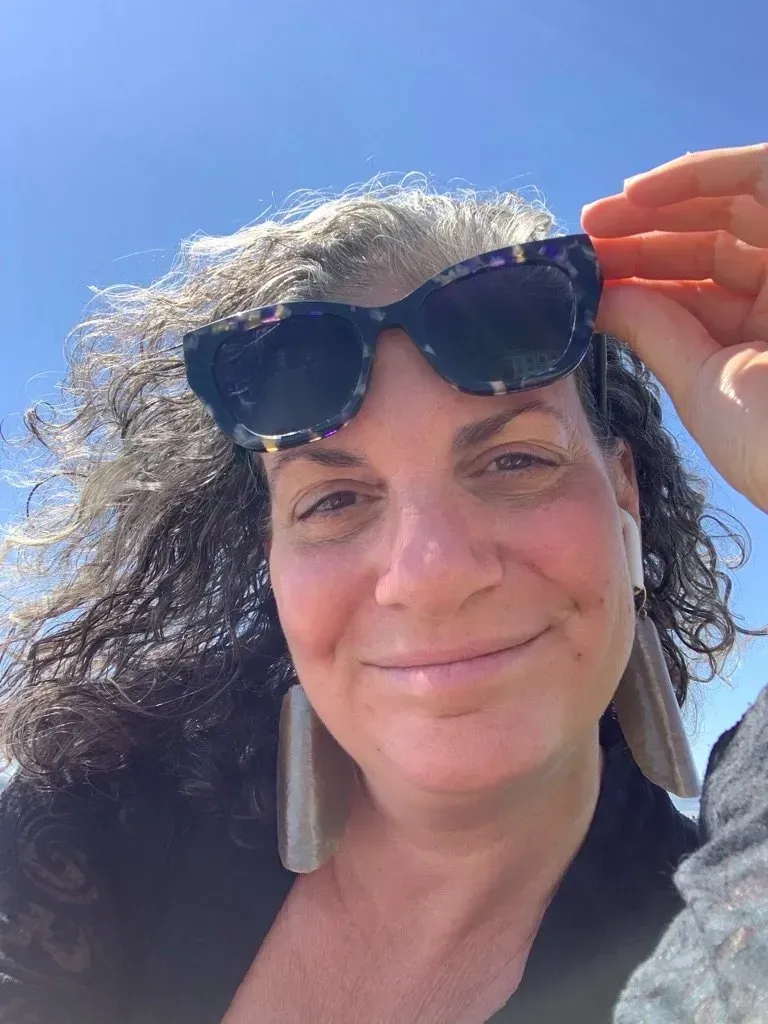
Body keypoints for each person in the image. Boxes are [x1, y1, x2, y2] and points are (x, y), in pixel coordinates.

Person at [0, 142, 764, 1024]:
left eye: (515, 460)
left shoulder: (730, 940)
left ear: (622, 494)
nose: (431, 577)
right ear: (271, 560)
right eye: (334, 501)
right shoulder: (96, 818)